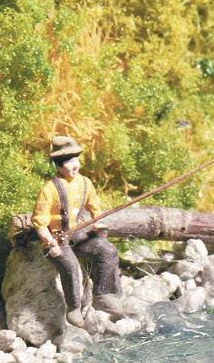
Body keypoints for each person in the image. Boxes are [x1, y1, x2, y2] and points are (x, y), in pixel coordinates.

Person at [31, 136, 139, 324]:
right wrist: (50, 242)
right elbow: (40, 222)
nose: (75, 165)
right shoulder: (49, 190)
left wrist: (98, 223)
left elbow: (94, 208)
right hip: (57, 239)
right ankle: (73, 309)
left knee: (108, 250)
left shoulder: (85, 183)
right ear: (58, 166)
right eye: (69, 162)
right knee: (71, 267)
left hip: (79, 235)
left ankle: (104, 295)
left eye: (76, 160)